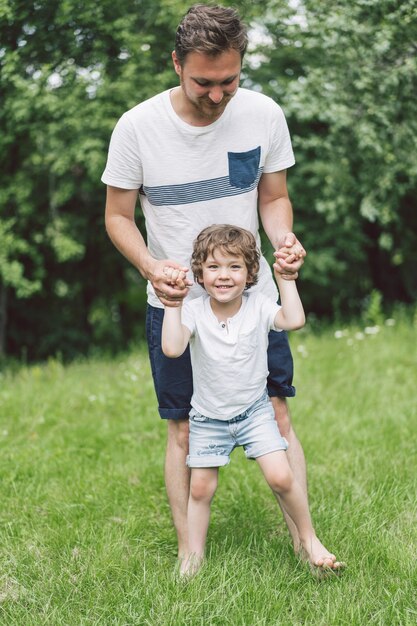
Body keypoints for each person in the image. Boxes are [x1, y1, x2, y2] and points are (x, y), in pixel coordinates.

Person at [102, 4, 342, 571]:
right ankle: (192, 557)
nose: (217, 95)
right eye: (203, 82)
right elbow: (116, 218)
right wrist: (150, 266)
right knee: (183, 427)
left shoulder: (262, 114)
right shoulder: (137, 127)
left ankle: (306, 543)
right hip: (178, 306)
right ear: (176, 64)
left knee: (277, 413)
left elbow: (273, 197)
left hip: (252, 302)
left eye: (229, 81)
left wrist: (283, 239)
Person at [161, 224, 336, 577]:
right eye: (213, 267)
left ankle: (309, 539)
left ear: (250, 272)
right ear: (199, 274)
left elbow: (294, 319)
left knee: (281, 478)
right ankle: (193, 556)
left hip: (255, 413)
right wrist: (172, 305)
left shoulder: (258, 306)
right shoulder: (194, 310)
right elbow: (173, 347)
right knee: (201, 488)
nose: (223, 276)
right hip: (208, 418)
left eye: (234, 266)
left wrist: (285, 279)